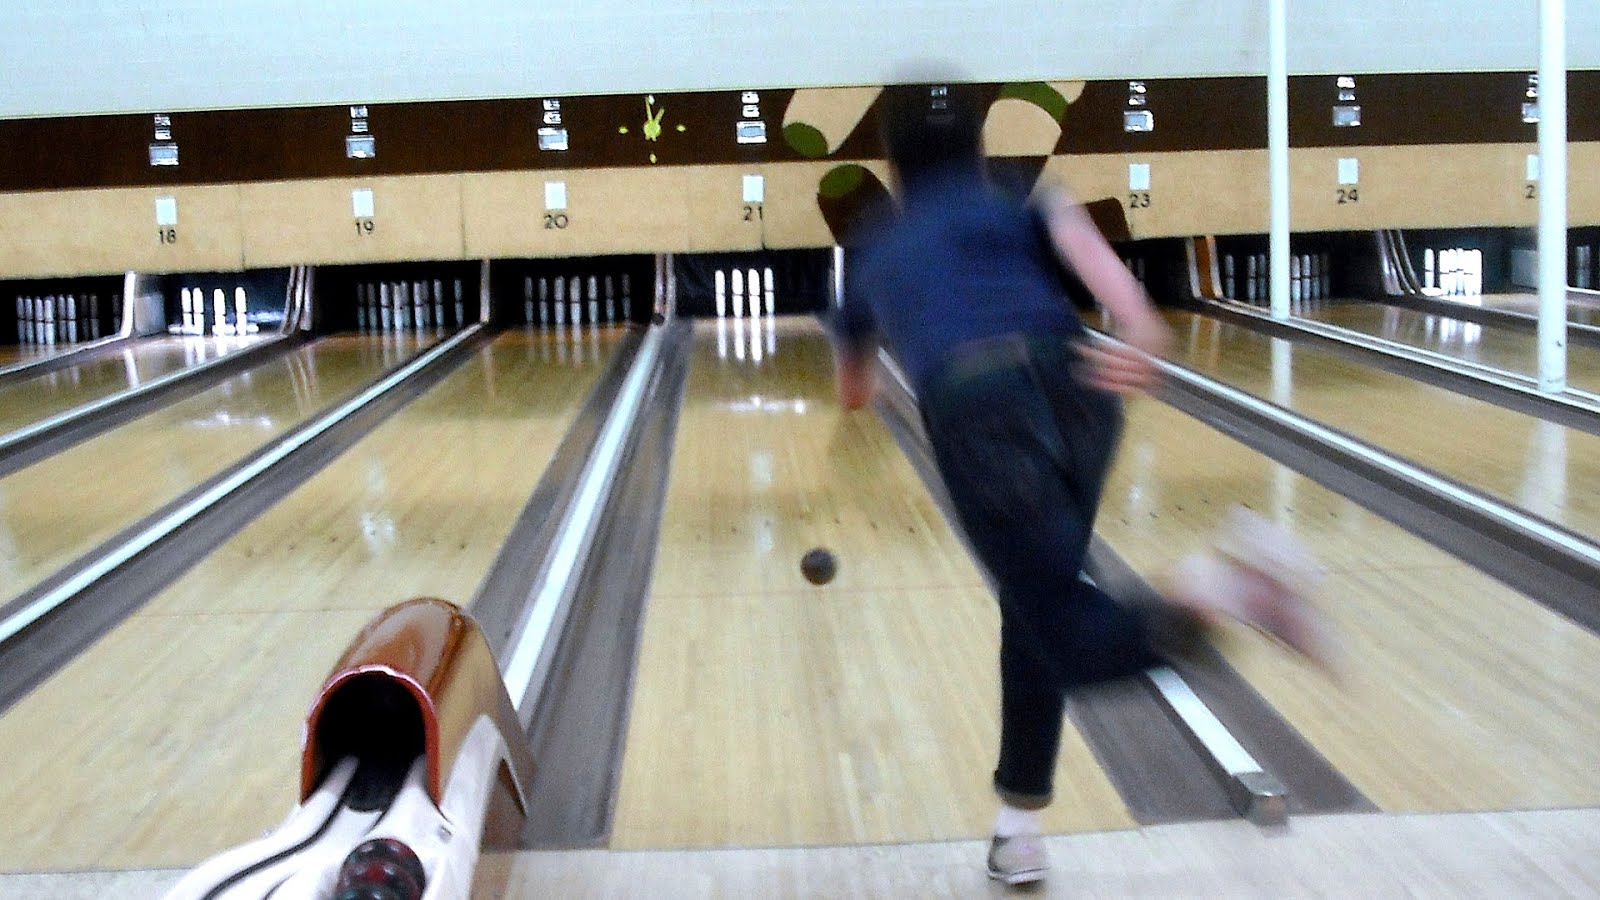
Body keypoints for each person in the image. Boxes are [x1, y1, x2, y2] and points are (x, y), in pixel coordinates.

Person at [829, 80, 1327, 886]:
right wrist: (1139, 331)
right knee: (1036, 609)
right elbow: (1121, 294)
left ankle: (1224, 590)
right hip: (1081, 385)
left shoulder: (876, 238)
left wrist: (899, 370)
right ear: (978, 149)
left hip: (979, 406)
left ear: (893, 161)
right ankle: (1018, 824)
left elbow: (854, 390)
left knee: (1059, 626)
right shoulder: (1024, 198)